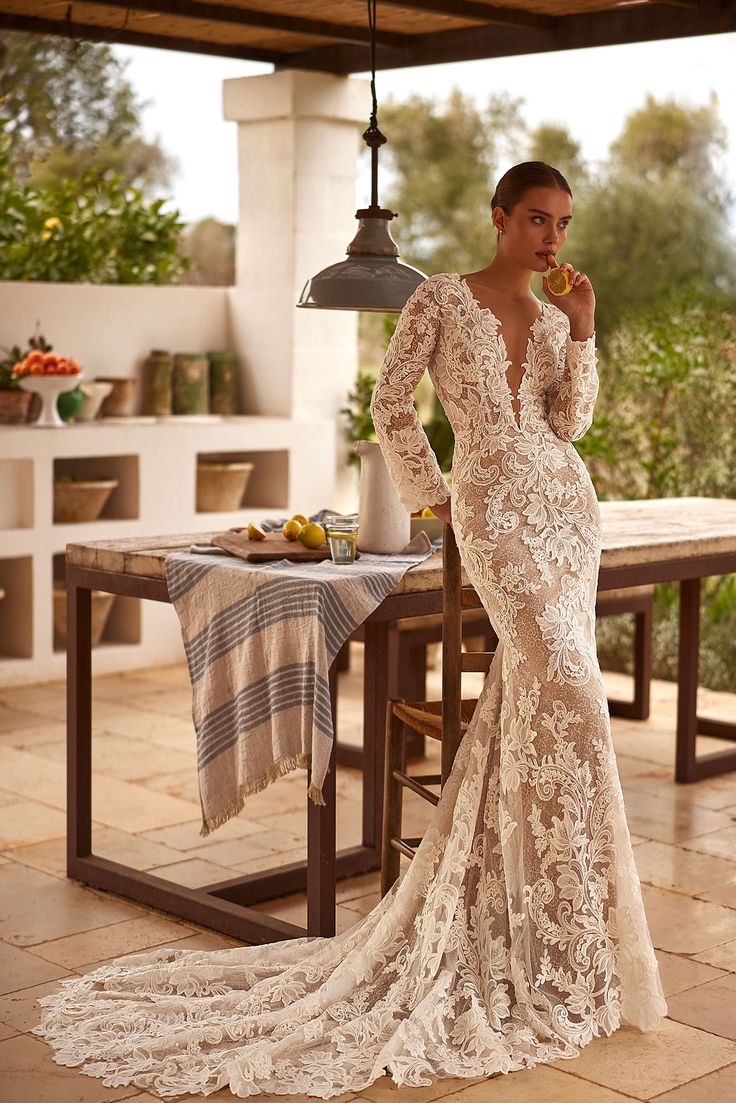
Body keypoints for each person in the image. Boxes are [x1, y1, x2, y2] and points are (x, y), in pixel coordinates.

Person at [34, 161, 666, 1098]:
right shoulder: (441, 300)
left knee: (557, 707)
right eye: (537, 219)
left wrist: (584, 332)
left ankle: (551, 927)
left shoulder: (553, 315)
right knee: (566, 685)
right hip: (490, 511)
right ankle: (513, 918)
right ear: (497, 217)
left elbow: (567, 426)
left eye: (563, 225)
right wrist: (435, 498)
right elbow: (389, 401)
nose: (551, 240)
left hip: (567, 513)